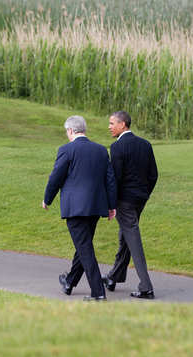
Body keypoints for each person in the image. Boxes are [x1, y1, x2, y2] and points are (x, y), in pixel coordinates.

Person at [42, 115, 117, 301]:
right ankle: (70, 281)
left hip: (75, 208)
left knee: (85, 249)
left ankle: (98, 292)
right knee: (83, 246)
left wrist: (47, 199)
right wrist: (111, 205)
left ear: (70, 131)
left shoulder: (66, 150)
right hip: (95, 206)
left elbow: (55, 177)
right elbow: (110, 180)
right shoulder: (100, 150)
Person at [102, 110, 158, 300]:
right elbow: (153, 175)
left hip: (124, 201)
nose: (109, 127)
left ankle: (146, 286)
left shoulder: (117, 147)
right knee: (125, 237)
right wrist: (144, 194)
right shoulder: (145, 144)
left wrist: (111, 203)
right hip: (139, 199)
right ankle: (114, 276)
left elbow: (114, 179)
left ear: (123, 124)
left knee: (133, 240)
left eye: (112, 123)